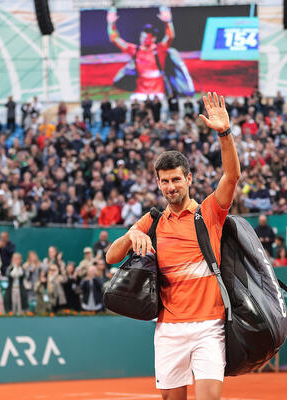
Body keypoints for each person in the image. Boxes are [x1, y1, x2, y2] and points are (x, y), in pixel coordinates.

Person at [106, 92, 239, 399]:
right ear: (158, 183)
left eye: (176, 180)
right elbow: (111, 256)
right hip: (169, 330)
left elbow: (232, 176)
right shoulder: (151, 222)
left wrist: (224, 133)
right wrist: (130, 235)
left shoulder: (209, 212)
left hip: (209, 326)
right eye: (164, 181)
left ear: (189, 179)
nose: (170, 187)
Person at [107, 6, 177, 101]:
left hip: (157, 91)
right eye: (142, 37)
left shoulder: (160, 49)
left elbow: (170, 37)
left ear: (154, 38)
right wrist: (111, 24)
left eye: (147, 37)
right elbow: (115, 39)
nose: (144, 39)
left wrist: (168, 22)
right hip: (140, 92)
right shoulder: (134, 50)